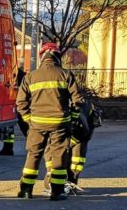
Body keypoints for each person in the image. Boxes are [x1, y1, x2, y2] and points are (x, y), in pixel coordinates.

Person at [15, 42, 84, 201]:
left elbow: (21, 103)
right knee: (59, 156)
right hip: (60, 123)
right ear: (58, 57)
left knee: (33, 155)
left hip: (37, 124)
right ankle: (57, 192)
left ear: (41, 57)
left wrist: (29, 120)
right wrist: (72, 119)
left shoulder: (30, 76)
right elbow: (78, 101)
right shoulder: (66, 74)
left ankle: (26, 191)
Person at [0, 64, 27, 156]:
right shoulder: (16, 74)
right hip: (12, 104)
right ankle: (7, 148)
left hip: (18, 104)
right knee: (9, 127)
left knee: (23, 126)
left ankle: (34, 147)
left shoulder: (21, 76)